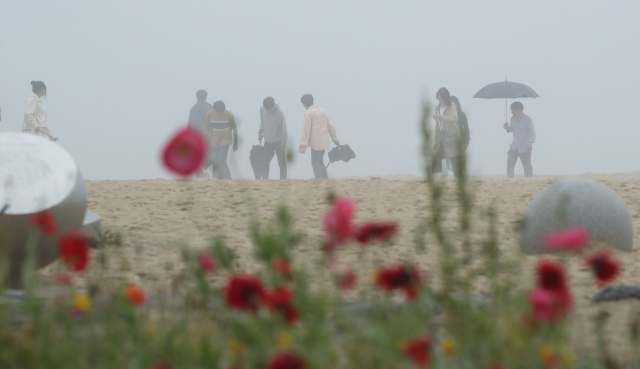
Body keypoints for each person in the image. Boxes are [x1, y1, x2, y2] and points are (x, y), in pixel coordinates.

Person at [298, 94, 339, 179]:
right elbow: (330, 126)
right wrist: (335, 139)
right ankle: (325, 179)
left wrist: (303, 144)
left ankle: (319, 180)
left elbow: (306, 130)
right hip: (324, 141)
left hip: (315, 142)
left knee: (315, 162)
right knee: (320, 161)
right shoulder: (323, 111)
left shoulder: (308, 113)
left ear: (304, 104)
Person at [203, 100, 238, 180]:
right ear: (214, 109)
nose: (221, 113)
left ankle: (229, 178)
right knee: (219, 160)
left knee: (221, 159)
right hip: (215, 141)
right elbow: (206, 129)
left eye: (222, 111)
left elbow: (234, 129)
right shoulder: (210, 114)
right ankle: (220, 177)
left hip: (226, 139)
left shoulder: (229, 114)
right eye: (219, 112)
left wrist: (235, 143)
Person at [431, 88, 461, 177]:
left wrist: (441, 117)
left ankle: (458, 179)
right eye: (438, 98)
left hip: (451, 137)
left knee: (454, 159)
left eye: (441, 98)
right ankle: (433, 179)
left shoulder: (452, 106)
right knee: (436, 158)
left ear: (445, 97)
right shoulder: (437, 108)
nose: (439, 100)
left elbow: (455, 119)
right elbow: (437, 125)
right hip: (441, 137)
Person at [503, 101, 535, 178]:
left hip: (525, 146)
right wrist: (507, 128)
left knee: (527, 165)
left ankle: (529, 179)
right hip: (514, 146)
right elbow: (511, 129)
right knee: (510, 162)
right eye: (511, 110)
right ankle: (509, 178)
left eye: (513, 110)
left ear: (519, 111)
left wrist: (531, 142)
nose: (512, 112)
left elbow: (533, 132)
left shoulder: (528, 119)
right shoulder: (513, 118)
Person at [258, 97, 288, 180]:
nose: (267, 110)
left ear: (273, 106)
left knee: (281, 162)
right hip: (267, 141)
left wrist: (283, 142)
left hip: (278, 142)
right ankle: (264, 179)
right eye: (266, 108)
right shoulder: (262, 109)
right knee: (265, 161)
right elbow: (262, 122)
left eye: (269, 109)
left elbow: (283, 128)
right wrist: (260, 133)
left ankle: (283, 179)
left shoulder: (279, 113)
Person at [188, 89, 213, 177]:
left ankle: (200, 176)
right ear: (205, 97)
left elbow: (190, 124)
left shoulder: (193, 109)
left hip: (195, 136)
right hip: (207, 136)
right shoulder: (209, 108)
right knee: (210, 155)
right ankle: (204, 170)